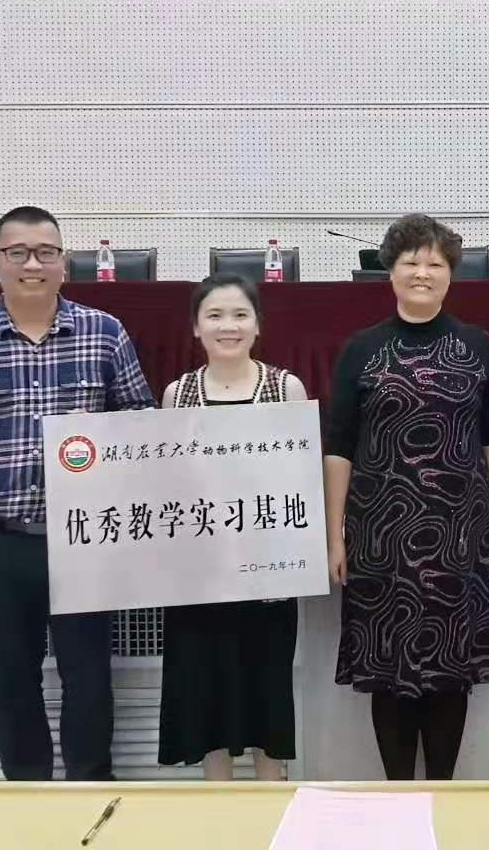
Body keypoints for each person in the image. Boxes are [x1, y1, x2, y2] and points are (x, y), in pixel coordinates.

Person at [0, 205, 154, 780]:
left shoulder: (104, 334)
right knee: (11, 682)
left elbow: (141, 425)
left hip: (85, 540)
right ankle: (28, 802)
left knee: (90, 681)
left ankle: (92, 793)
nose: (32, 264)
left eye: (46, 252)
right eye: (17, 252)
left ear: (64, 263)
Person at [324, 213, 489, 780]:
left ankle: (442, 797)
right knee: (387, 669)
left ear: (451, 273)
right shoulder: (361, 349)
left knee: (452, 669)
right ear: (390, 271)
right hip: (380, 534)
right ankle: (399, 800)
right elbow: (339, 449)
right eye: (411, 261)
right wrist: (335, 534)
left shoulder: (477, 346)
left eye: (435, 263)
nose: (422, 272)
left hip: (461, 532)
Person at [157, 274, 308, 780]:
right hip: (200, 573)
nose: (228, 326)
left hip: (267, 573)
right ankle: (217, 798)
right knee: (205, 694)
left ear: (258, 325)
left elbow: (300, 479)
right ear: (195, 327)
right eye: (215, 316)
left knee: (267, 689)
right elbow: (169, 482)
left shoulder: (285, 388)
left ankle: (270, 793)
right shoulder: (177, 394)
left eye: (240, 315)